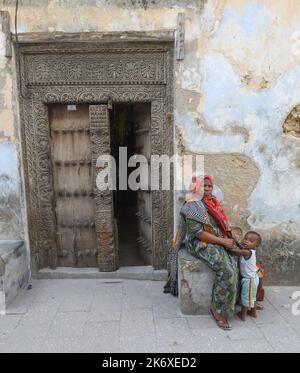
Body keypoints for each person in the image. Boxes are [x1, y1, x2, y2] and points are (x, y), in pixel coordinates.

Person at [164, 175, 239, 330]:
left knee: (235, 260)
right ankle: (218, 309)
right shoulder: (192, 206)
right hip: (199, 243)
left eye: (210, 186)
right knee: (226, 269)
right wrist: (224, 242)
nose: (207, 189)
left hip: (215, 239)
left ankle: (239, 300)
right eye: (204, 186)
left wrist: (228, 238)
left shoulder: (212, 203)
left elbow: (221, 224)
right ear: (196, 188)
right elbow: (199, 234)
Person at [225, 231, 262, 321]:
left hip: (250, 280)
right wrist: (235, 240)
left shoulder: (247, 252)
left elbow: (235, 251)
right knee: (251, 297)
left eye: (250, 241)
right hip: (251, 278)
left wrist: (226, 245)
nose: (246, 241)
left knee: (246, 298)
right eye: (245, 238)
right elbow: (240, 246)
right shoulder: (248, 250)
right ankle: (253, 313)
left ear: (256, 245)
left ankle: (243, 315)